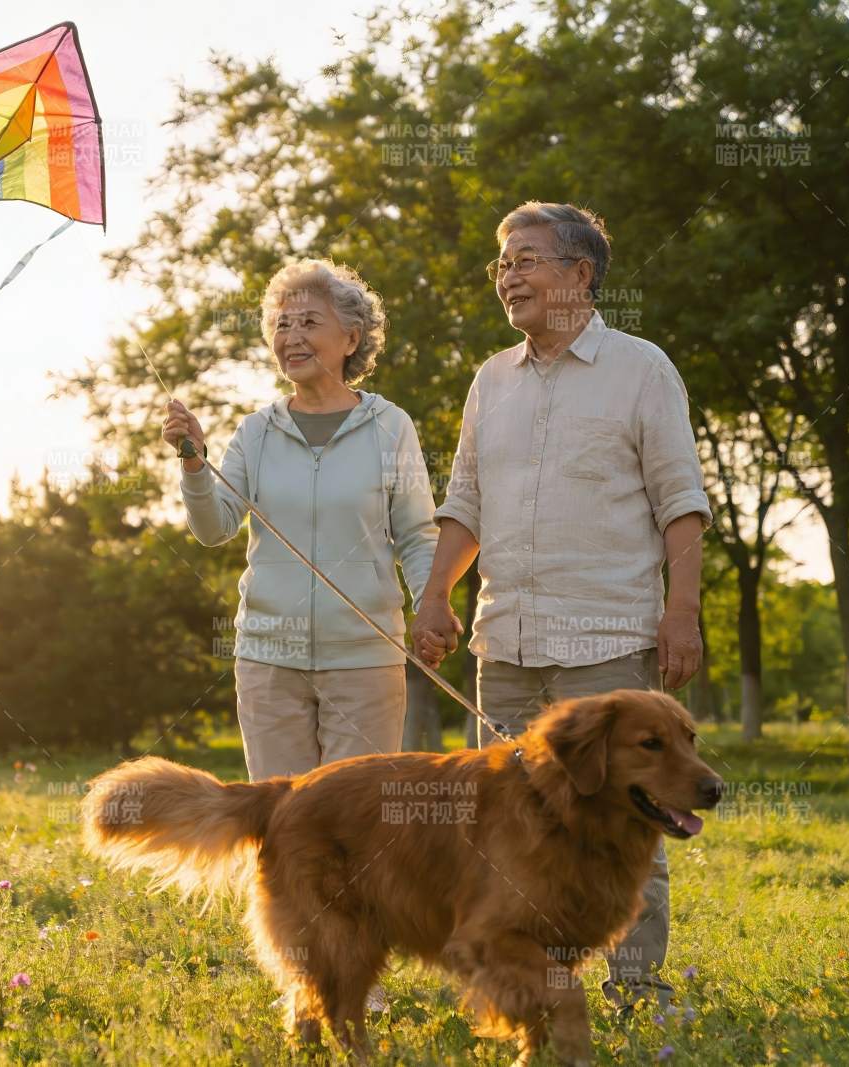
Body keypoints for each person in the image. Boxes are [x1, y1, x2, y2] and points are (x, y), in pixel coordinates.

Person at [411, 201, 712, 1014]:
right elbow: (465, 502)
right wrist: (436, 595)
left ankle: (637, 987)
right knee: (503, 824)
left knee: (625, 822)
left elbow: (680, 500)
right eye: (502, 263)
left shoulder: (641, 368)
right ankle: (523, 984)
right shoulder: (490, 380)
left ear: (580, 273)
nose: (508, 276)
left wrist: (681, 611)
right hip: (505, 640)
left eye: (526, 259)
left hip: (607, 639)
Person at [163, 258, 438, 782]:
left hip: (365, 660)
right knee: (279, 817)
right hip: (269, 661)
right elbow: (214, 528)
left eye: (310, 322)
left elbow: (417, 536)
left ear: (351, 339)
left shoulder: (390, 426)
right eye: (282, 324)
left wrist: (430, 609)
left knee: (355, 814)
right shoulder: (255, 431)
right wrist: (194, 464)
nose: (292, 336)